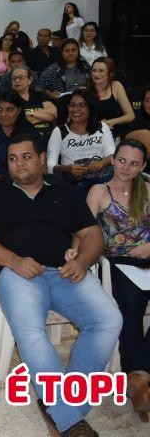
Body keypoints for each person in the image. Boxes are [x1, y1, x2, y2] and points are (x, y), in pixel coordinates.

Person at [0, 134, 120, 437]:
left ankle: (62, 406)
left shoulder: (64, 192)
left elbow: (93, 235)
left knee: (108, 320)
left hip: (64, 271)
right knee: (31, 332)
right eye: (12, 158)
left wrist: (82, 262)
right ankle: (69, 419)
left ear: (41, 159)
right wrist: (14, 261)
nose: (19, 164)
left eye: (26, 157)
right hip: (18, 274)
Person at [83, 139, 150, 418]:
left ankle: (139, 375)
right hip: (116, 263)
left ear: (143, 166)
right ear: (112, 159)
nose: (126, 167)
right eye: (122, 160)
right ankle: (139, 378)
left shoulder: (148, 190)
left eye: (134, 163)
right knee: (132, 306)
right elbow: (84, 230)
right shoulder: (100, 191)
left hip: (148, 257)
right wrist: (75, 249)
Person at [47, 89, 115, 196]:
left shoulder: (102, 127)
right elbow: (49, 166)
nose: (75, 109)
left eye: (81, 105)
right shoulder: (60, 131)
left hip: (101, 179)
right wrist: (67, 168)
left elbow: (113, 156)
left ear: (90, 108)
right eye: (72, 105)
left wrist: (101, 163)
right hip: (73, 182)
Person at [0, 90, 42, 181]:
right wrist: (8, 185)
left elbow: (41, 163)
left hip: (28, 182)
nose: (3, 114)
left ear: (19, 110)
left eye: (9, 109)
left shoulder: (29, 132)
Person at [87, 56, 134, 136]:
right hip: (92, 133)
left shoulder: (116, 86)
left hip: (115, 132)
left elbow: (130, 116)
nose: (96, 74)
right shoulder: (85, 90)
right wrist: (98, 125)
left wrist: (108, 123)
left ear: (110, 73)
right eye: (94, 70)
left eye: (101, 71)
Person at [10, 65, 57, 139]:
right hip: (25, 138)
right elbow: (20, 121)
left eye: (21, 77)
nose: (17, 80)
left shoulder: (40, 95)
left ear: (29, 80)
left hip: (48, 137)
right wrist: (45, 116)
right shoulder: (10, 98)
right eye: (14, 78)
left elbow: (53, 114)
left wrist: (30, 113)